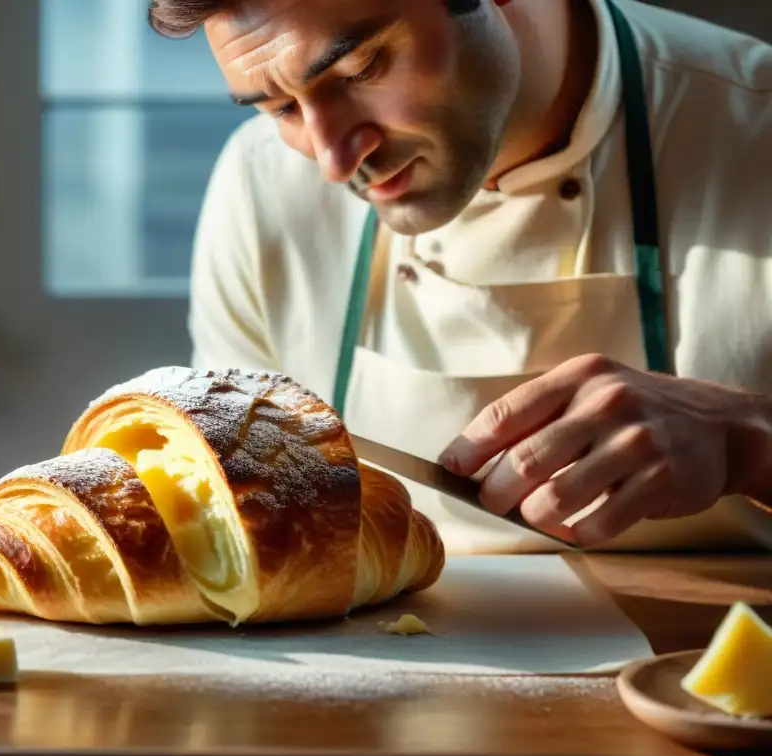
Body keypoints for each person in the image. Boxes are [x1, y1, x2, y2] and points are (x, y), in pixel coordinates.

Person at [151, 0, 772, 553]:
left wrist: (750, 443)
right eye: (282, 108)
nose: (335, 161)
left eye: (359, 70)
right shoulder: (260, 188)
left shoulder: (754, 126)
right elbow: (243, 510)